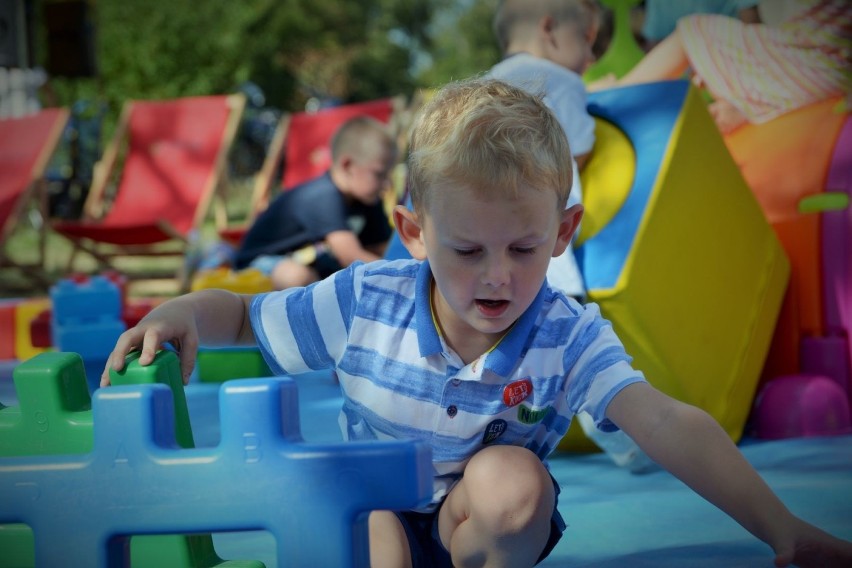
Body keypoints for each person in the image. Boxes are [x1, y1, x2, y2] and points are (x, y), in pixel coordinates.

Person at [101, 78, 852, 568]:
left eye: (524, 248)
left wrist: (780, 527)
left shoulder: (567, 332)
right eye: (468, 249)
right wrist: (177, 311)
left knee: (513, 482)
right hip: (379, 513)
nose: (497, 275)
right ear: (415, 231)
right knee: (358, 521)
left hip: (481, 528)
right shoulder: (367, 299)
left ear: (562, 234)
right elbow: (240, 311)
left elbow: (665, 423)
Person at [591, 0, 852, 134]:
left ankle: (618, 93)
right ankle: (622, 92)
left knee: (693, 32)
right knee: (694, 36)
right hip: (810, 65)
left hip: (813, 70)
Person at [487, 0, 601, 300]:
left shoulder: (484, 84)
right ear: (549, 29)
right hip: (543, 251)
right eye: (586, 40)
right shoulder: (560, 80)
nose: (591, 57)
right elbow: (580, 150)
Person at [233, 115, 398, 289]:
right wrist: (401, 275)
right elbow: (350, 257)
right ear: (348, 166)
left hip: (308, 262)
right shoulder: (322, 196)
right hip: (257, 264)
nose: (387, 184)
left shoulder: (368, 198)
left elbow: (384, 249)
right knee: (297, 277)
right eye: (379, 174)